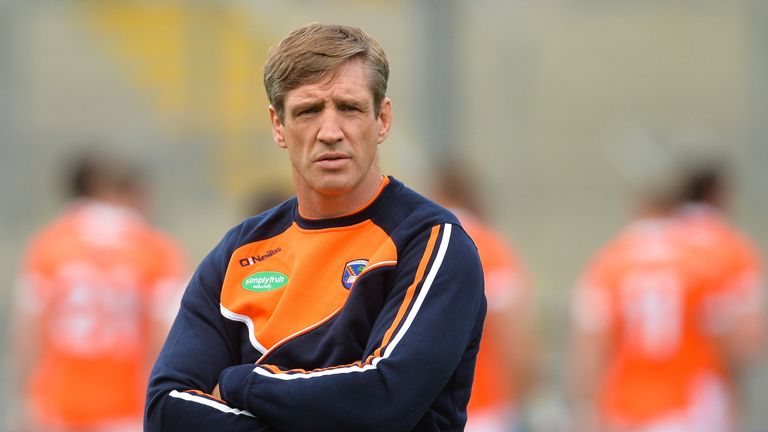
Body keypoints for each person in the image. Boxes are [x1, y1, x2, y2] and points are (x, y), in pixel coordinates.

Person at [145, 23, 486, 431]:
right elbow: (166, 409)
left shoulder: (431, 240)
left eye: (349, 107)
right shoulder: (238, 251)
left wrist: (238, 382)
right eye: (308, 111)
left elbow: (382, 398)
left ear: (382, 119)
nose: (329, 132)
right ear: (278, 126)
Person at [568, 167, 765, 432]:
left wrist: (586, 411)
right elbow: (744, 342)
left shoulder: (609, 261)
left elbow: (588, 351)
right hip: (691, 409)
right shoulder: (708, 257)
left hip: (625, 410)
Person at [10, 152, 187, 431]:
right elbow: (169, 335)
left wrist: (26, 399)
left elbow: (26, 329)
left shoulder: (49, 243)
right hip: (127, 408)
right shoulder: (154, 248)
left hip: (57, 406)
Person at [431, 163, 537, 432]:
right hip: (484, 409)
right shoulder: (491, 249)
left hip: (424, 410)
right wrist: (522, 396)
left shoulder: (418, 244)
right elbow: (514, 338)